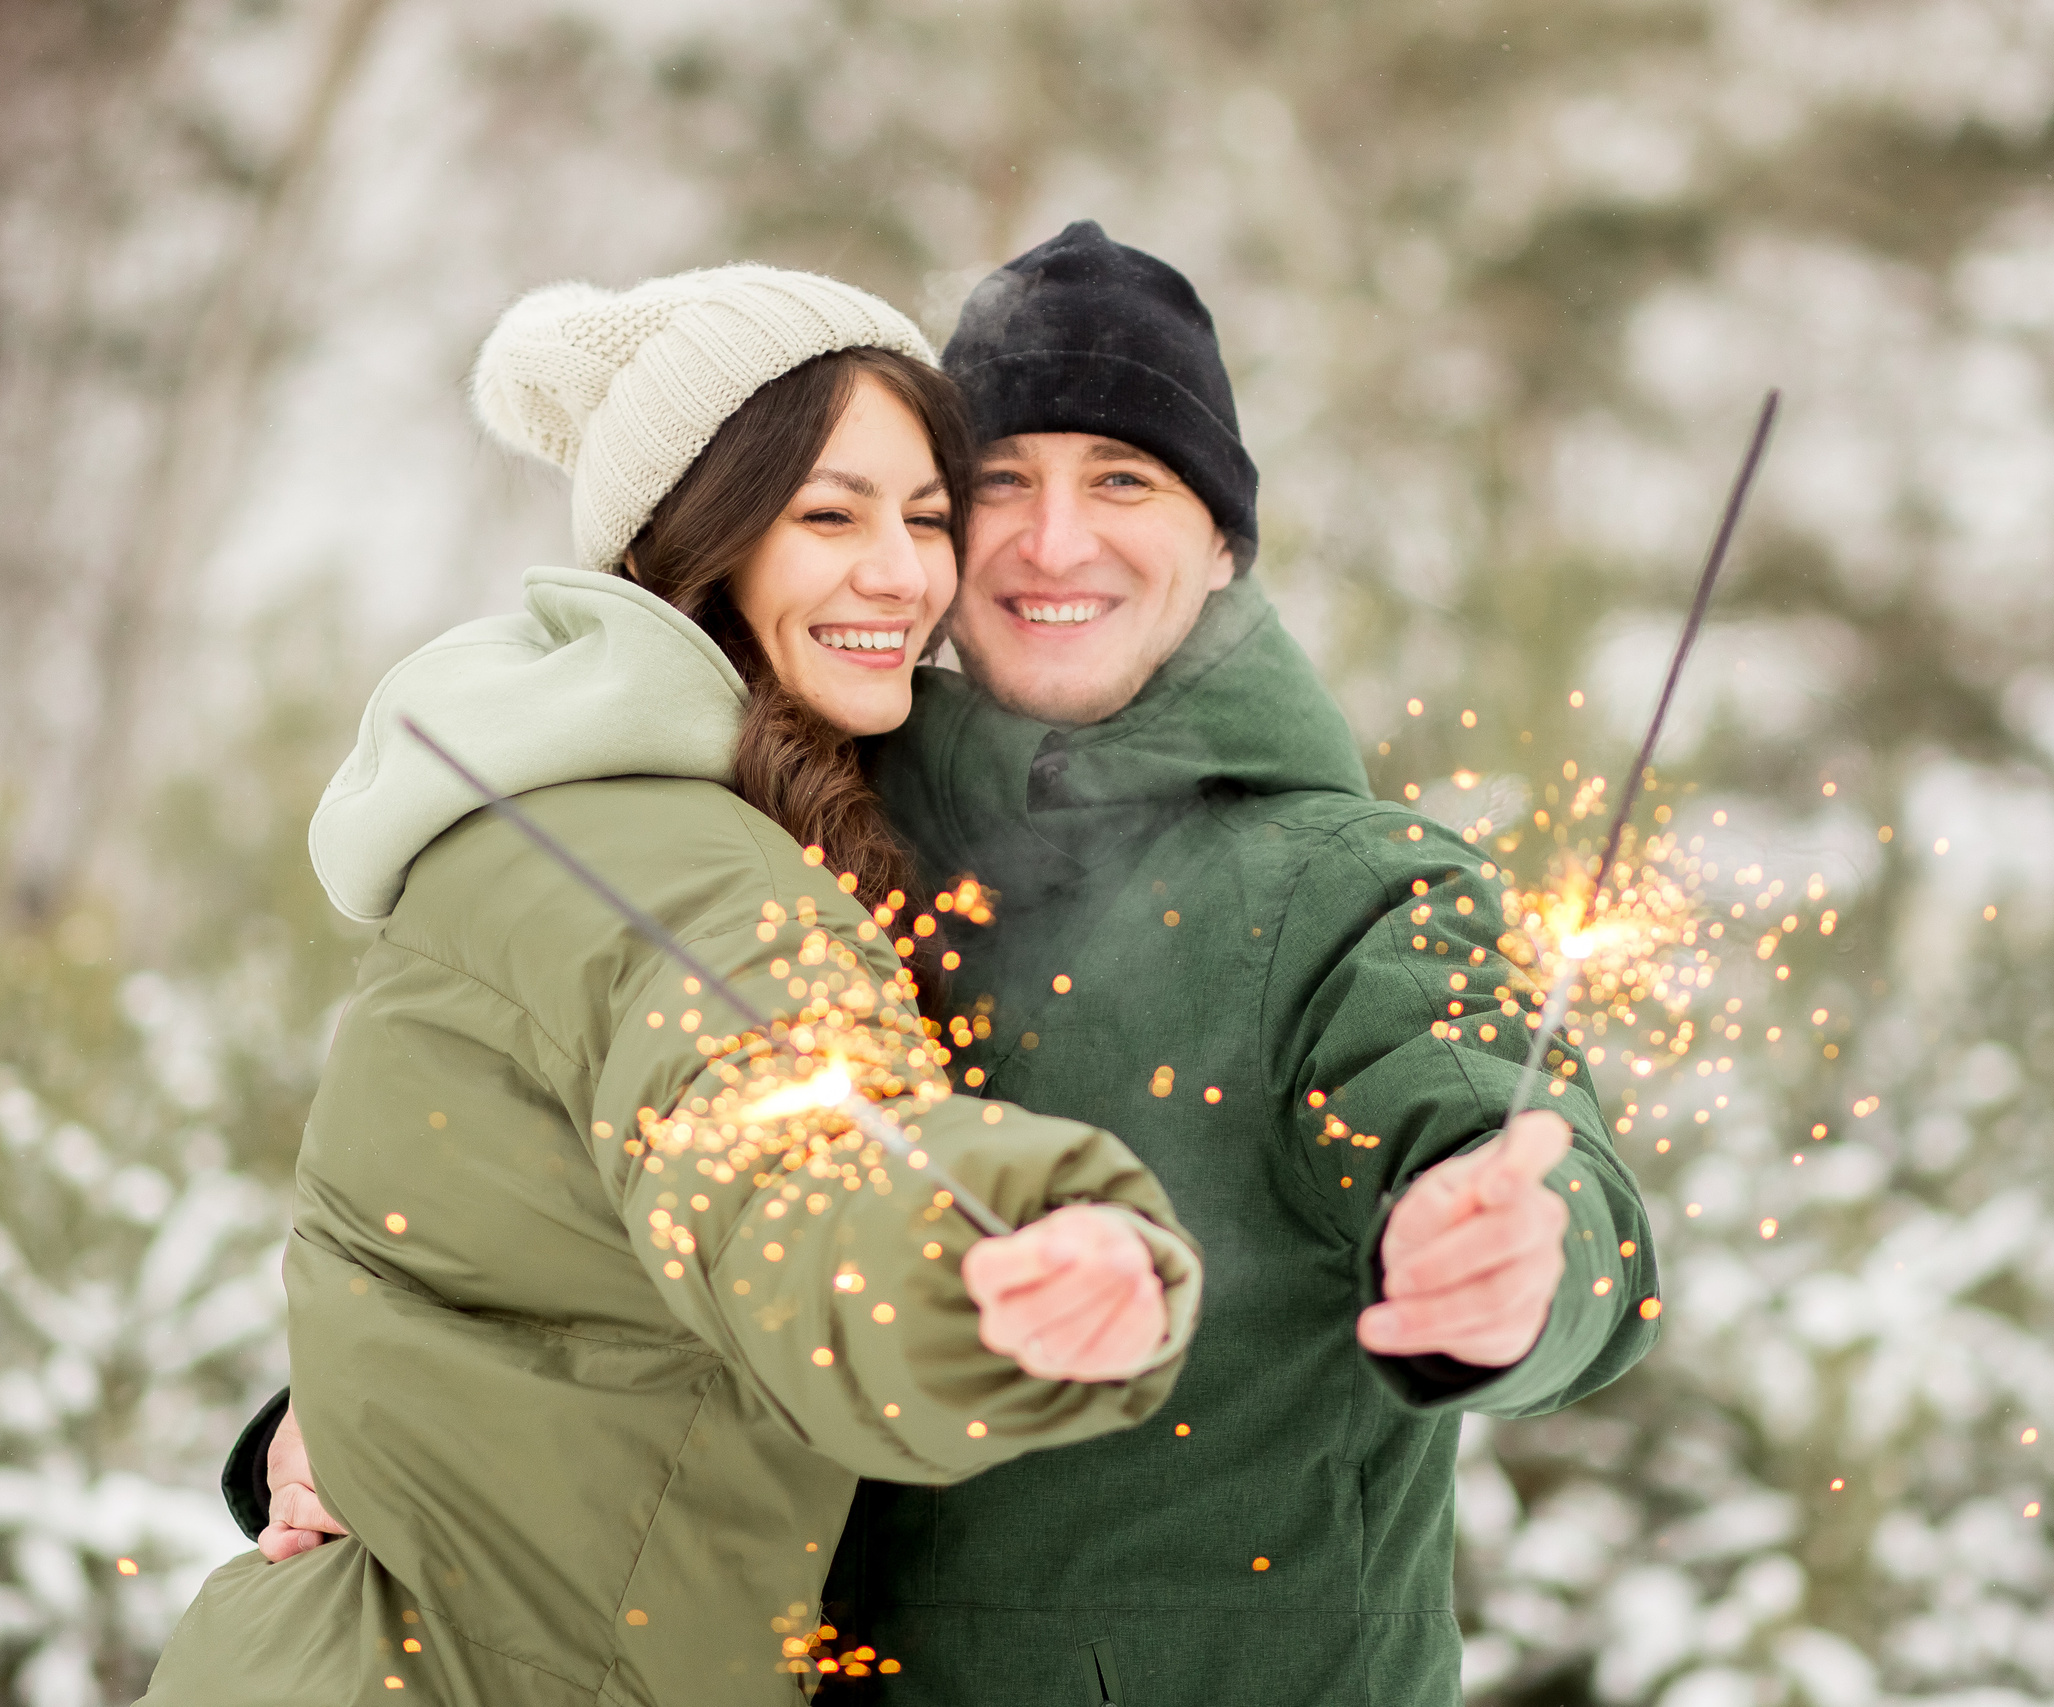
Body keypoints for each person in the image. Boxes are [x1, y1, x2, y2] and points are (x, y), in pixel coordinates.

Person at [245, 226, 1662, 1703]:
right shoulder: (783, 832)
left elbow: (1511, 1133)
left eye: (1125, 480)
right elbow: (606, 1204)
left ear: (1224, 542)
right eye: (997, 487)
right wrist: (372, 1421)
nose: (1054, 541)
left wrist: (1526, 1259)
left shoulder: (1348, 891)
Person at [144, 265, 1203, 1706]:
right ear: (692, 542)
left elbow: (486, 1265)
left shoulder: (544, 810)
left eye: (926, 517)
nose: (904, 575)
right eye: (829, 515)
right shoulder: (696, 878)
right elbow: (784, 1145)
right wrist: (981, 1264)